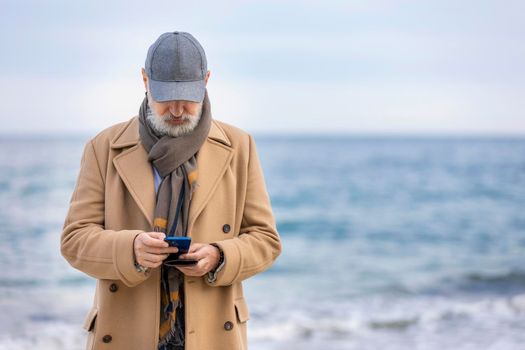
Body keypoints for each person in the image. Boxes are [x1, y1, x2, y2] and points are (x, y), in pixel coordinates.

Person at [60, 31, 282, 350]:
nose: (177, 110)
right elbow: (74, 240)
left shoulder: (239, 146)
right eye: (166, 98)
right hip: (126, 329)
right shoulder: (103, 147)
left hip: (212, 332)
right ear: (145, 81)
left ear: (206, 81)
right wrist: (130, 248)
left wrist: (220, 256)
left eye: (188, 98)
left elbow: (266, 240)